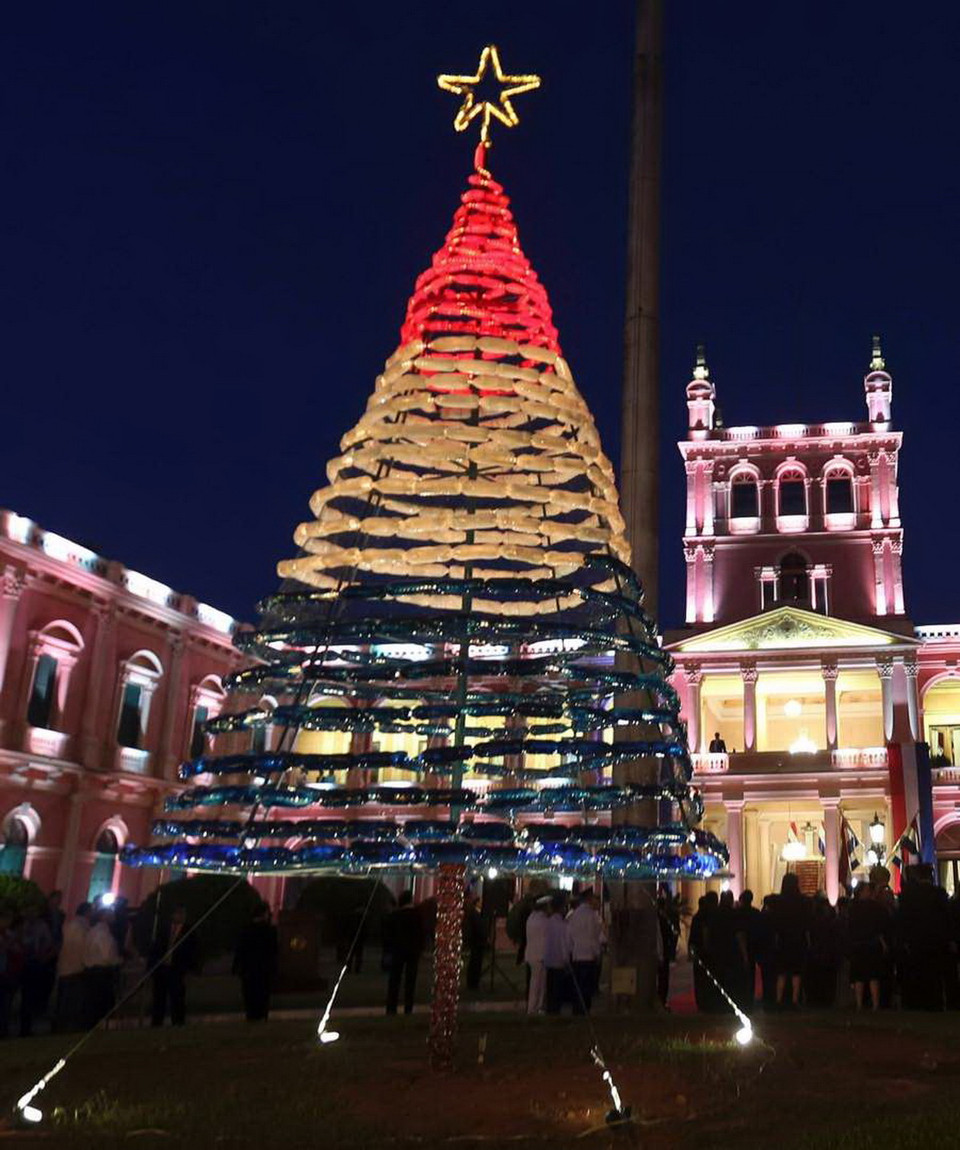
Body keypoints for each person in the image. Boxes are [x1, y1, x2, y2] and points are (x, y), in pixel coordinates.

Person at [149, 906, 199, 1027]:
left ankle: (178, 1022)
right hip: (162, 969)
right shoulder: (164, 930)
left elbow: (192, 951)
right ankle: (157, 1022)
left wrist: (189, 969)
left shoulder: (189, 931)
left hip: (177, 969)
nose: (180, 916)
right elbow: (156, 948)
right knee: (159, 997)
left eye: (182, 914)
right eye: (178, 913)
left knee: (177, 997)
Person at [233, 903, 278, 1021]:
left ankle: (251, 1015)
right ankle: (262, 1015)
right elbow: (274, 951)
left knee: (250, 994)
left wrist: (237, 967)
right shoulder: (269, 931)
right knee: (263, 994)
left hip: (248, 970)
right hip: (264, 969)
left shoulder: (245, 930)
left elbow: (239, 950)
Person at [772, 872, 811, 1009]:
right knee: (796, 972)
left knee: (781, 973)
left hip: (783, 940)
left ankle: (779, 1000)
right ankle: (794, 1000)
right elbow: (806, 923)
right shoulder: (803, 901)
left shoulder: (778, 901)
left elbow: (775, 924)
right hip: (798, 940)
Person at [383, 890, 424, 1015]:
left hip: (398, 950)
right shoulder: (418, 915)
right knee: (410, 980)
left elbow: (389, 934)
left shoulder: (395, 915)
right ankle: (408, 1007)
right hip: (413, 951)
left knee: (394, 979)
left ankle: (391, 1007)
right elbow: (421, 934)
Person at [18, 904, 56, 1036]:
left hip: (34, 963)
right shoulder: (24, 925)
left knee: (31, 995)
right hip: (24, 963)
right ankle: (25, 1025)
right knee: (26, 996)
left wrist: (42, 954)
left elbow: (48, 942)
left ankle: (27, 1026)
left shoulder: (41, 926)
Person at [847, 882, 886, 1011]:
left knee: (859, 976)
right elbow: (879, 927)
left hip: (858, 944)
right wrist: (882, 942)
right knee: (873, 976)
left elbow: (850, 927)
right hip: (871, 944)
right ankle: (875, 1004)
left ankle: (859, 1004)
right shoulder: (874, 907)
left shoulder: (853, 907)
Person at [55, 902, 91, 1032]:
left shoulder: (68, 925)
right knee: (73, 1002)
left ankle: (59, 1026)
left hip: (64, 967)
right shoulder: (84, 928)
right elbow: (85, 948)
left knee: (63, 1001)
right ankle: (68, 1027)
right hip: (77, 968)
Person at [82, 907, 121, 1027]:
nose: (113, 915)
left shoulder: (93, 931)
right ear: (103, 916)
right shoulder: (103, 933)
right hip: (101, 972)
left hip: (91, 971)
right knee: (101, 1005)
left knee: (93, 1004)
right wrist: (118, 960)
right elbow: (107, 956)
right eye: (110, 913)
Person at [566, 891, 605, 1013]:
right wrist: (597, 953)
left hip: (576, 955)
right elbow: (595, 936)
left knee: (577, 985)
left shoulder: (574, 915)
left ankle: (577, 1009)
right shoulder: (593, 916)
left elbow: (569, 936)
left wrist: (570, 951)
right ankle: (585, 1009)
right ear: (589, 900)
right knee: (587, 986)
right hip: (589, 955)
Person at [543, 896, 572, 1014]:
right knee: (557, 990)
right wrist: (567, 960)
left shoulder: (547, 923)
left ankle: (550, 1010)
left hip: (548, 961)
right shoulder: (563, 925)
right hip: (559, 961)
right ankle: (555, 1011)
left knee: (550, 989)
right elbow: (565, 944)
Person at [524, 896, 550, 1014]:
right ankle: (535, 1007)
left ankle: (535, 1007)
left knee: (536, 982)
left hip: (532, 954)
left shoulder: (531, 918)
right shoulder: (543, 920)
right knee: (539, 984)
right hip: (540, 955)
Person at [656, 887, 680, 1008]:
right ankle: (661, 999)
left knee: (660, 977)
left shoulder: (657, 918)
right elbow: (668, 935)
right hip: (662, 952)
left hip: (660, 952)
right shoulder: (663, 919)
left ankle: (660, 999)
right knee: (663, 978)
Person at [0, 910, 22, 1039]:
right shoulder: (8, 936)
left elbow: (17, 949)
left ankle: (4, 1028)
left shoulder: (9, 934)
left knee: (6, 1002)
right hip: (3, 971)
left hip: (7, 973)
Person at [462, 894, 486, 991]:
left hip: (476, 940)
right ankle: (473, 983)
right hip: (477, 941)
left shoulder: (474, 913)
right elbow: (478, 927)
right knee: (475, 962)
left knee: (475, 962)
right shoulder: (475, 914)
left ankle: (473, 982)